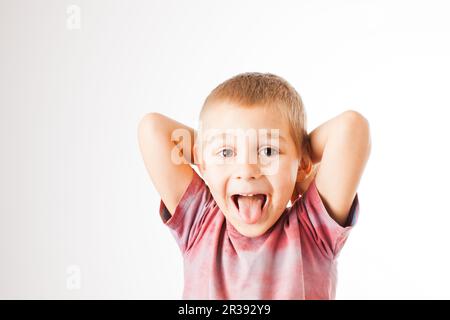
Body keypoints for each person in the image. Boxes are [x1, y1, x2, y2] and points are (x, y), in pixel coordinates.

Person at [138, 72, 371, 299]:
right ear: (202, 161)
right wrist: (208, 152)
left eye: (268, 151)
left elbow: (351, 128)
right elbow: (152, 129)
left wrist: (301, 157)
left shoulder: (313, 231)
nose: (247, 171)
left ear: (301, 163)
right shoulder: (200, 222)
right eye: (227, 152)